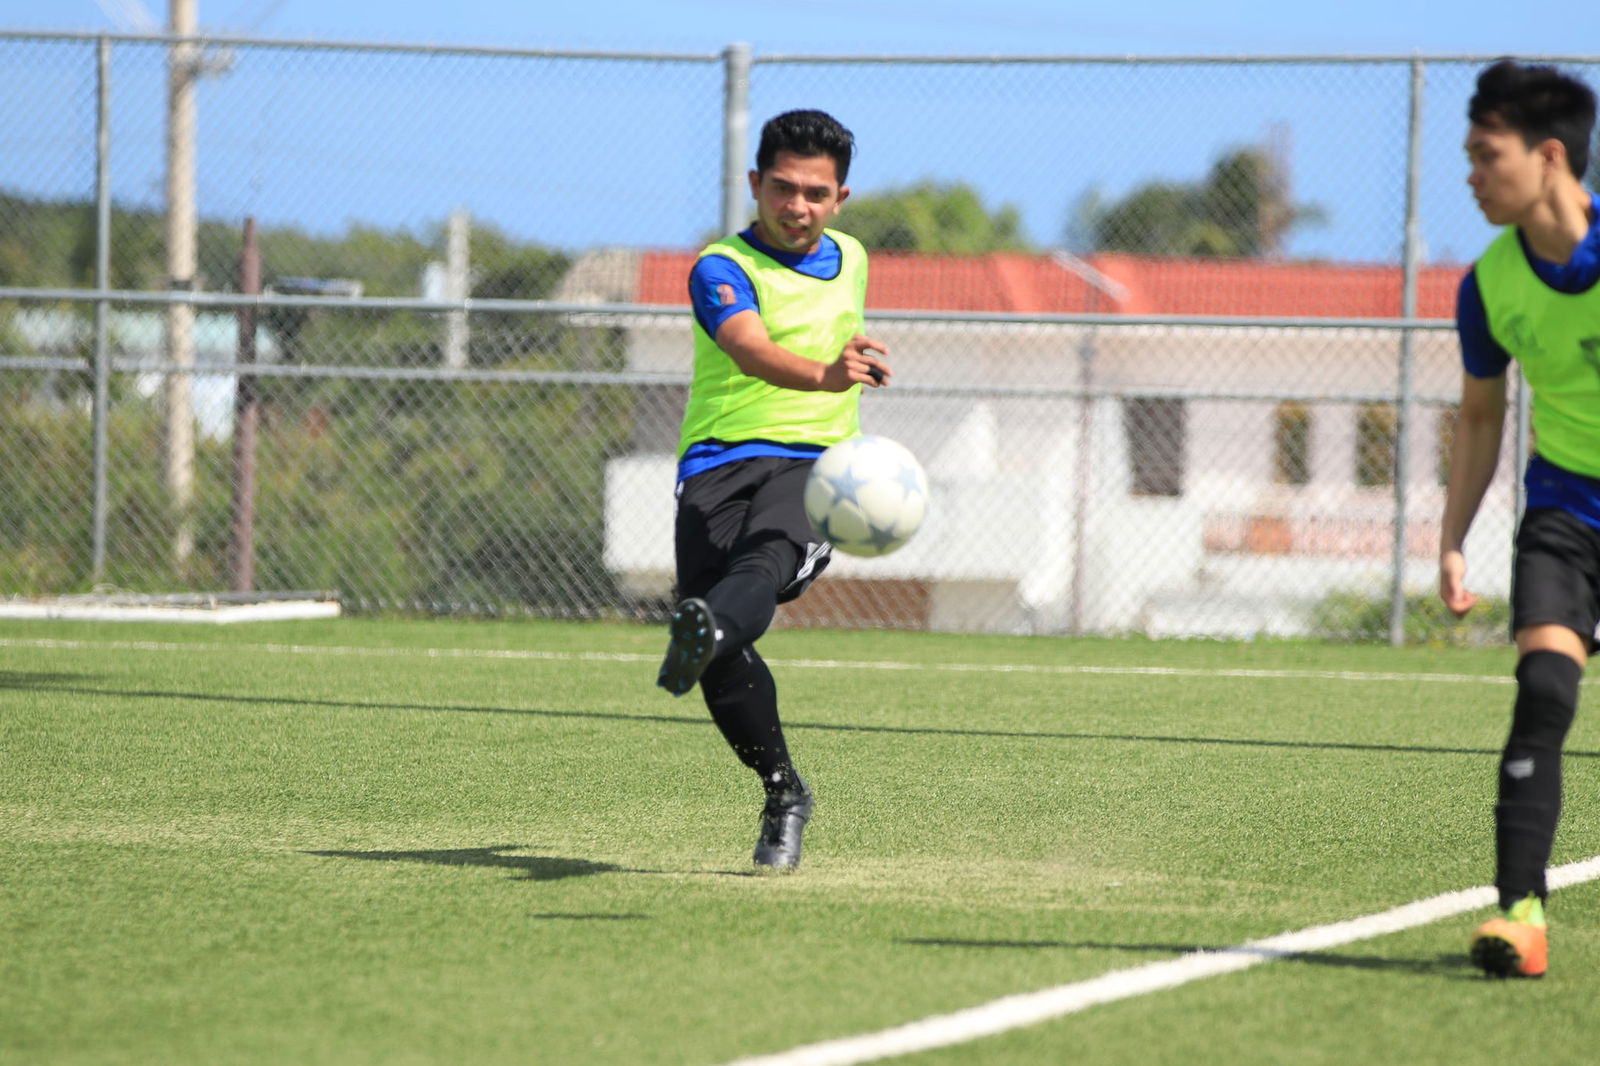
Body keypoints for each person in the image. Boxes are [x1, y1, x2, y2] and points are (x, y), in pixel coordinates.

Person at [655, 109, 891, 872]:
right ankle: (784, 789)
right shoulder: (719, 267)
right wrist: (828, 371)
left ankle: (710, 632)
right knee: (718, 646)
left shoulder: (851, 258)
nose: (799, 207)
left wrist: (847, 364)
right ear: (755, 184)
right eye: (783, 189)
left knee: (761, 564)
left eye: (816, 194)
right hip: (717, 466)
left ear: (841, 197)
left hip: (818, 464)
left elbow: (834, 336)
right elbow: (749, 348)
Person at [1443, 58, 1600, 979]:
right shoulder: (1488, 285)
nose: (1470, 173)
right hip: (1565, 509)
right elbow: (1478, 418)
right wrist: (1452, 541)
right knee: (1543, 689)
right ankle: (1520, 913)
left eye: (1483, 154)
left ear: (1548, 157)